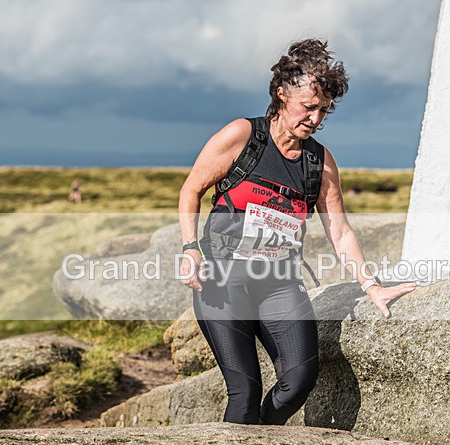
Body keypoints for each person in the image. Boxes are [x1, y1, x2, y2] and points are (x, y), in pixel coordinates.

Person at [177, 39, 416, 425]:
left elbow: (340, 231)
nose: (316, 118)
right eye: (308, 106)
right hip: (223, 280)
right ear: (281, 93)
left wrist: (371, 286)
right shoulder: (242, 136)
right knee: (244, 392)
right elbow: (191, 190)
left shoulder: (319, 162)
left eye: (324, 110)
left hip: (279, 283)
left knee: (299, 380)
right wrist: (191, 248)